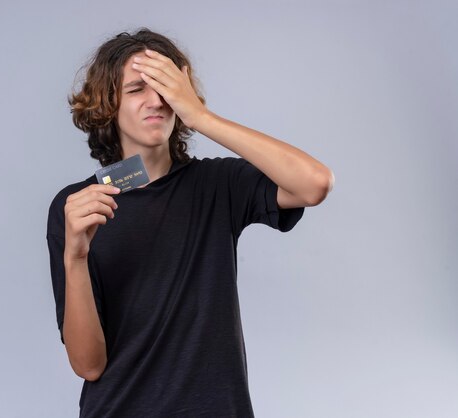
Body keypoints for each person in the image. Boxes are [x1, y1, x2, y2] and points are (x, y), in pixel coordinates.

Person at [47, 28, 334, 417]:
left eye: (166, 88)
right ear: (106, 104)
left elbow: (314, 183)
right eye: (136, 89)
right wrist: (75, 257)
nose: (156, 102)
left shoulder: (219, 184)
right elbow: (88, 365)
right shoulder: (78, 207)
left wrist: (200, 116)